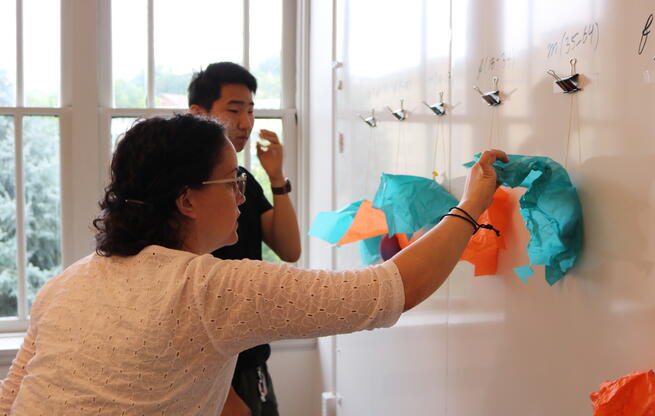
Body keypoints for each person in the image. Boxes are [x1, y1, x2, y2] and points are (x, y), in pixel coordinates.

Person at [0, 114, 508, 415]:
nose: (244, 197)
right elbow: (395, 288)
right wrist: (472, 204)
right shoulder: (210, 288)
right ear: (187, 200)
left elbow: (16, 393)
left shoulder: (68, 282)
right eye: (232, 182)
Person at [188, 62, 301, 416]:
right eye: (233, 110)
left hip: (250, 356)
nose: (245, 123)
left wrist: (277, 177)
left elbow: (290, 249)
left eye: (250, 111)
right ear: (198, 114)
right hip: (201, 362)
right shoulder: (183, 187)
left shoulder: (244, 180)